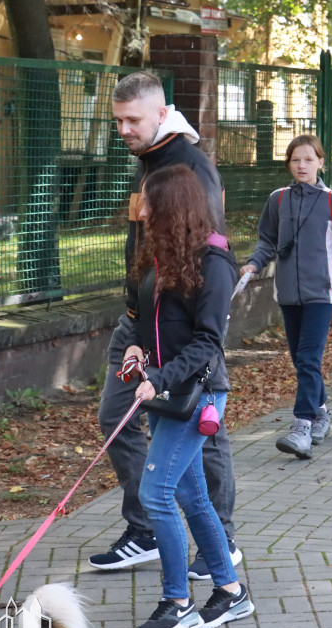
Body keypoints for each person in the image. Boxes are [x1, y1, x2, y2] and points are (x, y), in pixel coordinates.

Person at [91, 71, 243, 582]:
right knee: (117, 415)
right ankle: (148, 530)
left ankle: (219, 539)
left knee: (203, 426)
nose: (124, 130)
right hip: (138, 320)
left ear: (161, 114)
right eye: (118, 121)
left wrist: (172, 340)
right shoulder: (149, 159)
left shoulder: (189, 166)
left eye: (133, 120)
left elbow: (207, 255)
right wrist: (136, 325)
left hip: (176, 329)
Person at [125, 165, 254, 628]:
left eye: (149, 199)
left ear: (174, 205)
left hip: (196, 393)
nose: (141, 207)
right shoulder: (159, 251)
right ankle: (231, 592)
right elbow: (149, 318)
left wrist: (159, 379)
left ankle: (177, 602)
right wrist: (137, 348)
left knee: (156, 494)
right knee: (190, 494)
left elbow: (207, 343)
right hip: (166, 391)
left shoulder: (214, 261)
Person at [241, 135, 332, 457]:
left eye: (309, 160)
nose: (302, 165)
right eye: (296, 160)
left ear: (321, 163)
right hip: (287, 293)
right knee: (301, 360)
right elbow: (267, 240)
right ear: (288, 163)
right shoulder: (278, 199)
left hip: (320, 294)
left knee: (309, 359)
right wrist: (254, 264)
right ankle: (322, 413)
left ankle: (302, 426)